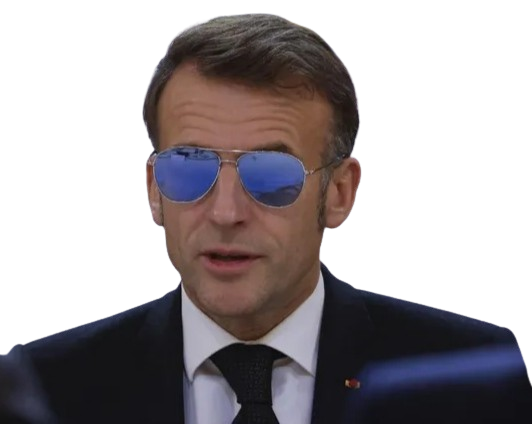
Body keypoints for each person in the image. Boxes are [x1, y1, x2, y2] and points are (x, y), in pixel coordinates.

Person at [1, 13, 530, 424]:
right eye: (189, 168)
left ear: (339, 193)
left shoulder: (476, 375)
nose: (225, 213)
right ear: (153, 190)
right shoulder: (45, 389)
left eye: (272, 176)